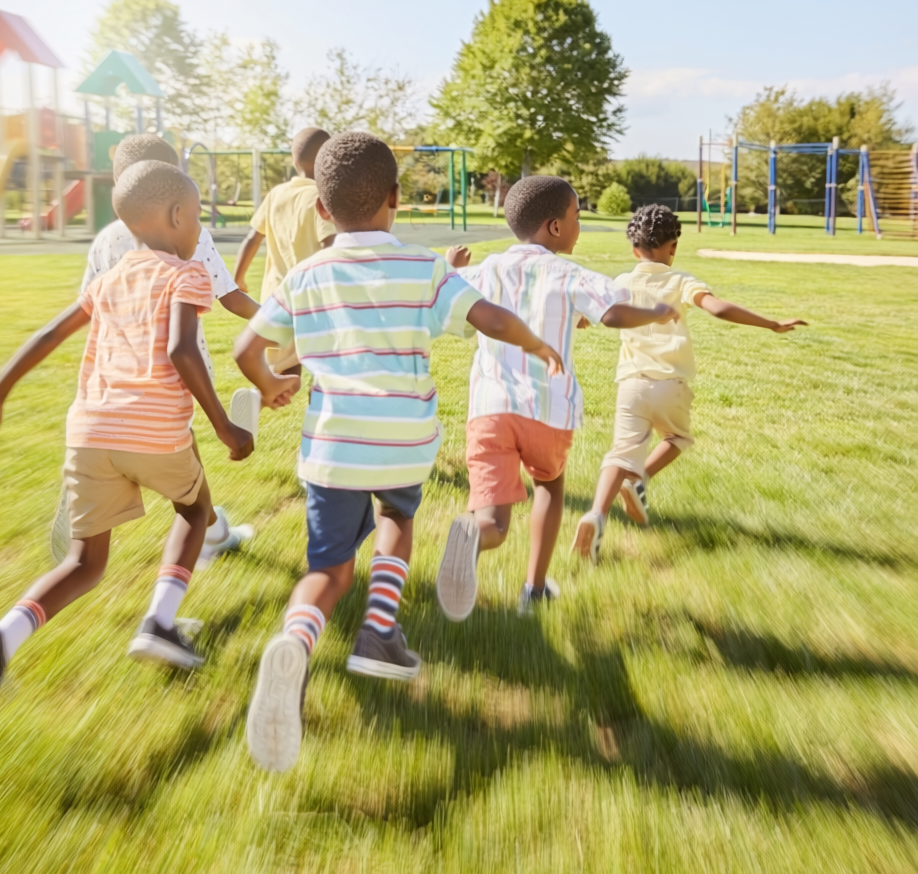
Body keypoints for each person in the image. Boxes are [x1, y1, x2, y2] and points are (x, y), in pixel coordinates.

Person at [232, 132, 564, 772]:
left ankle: (297, 643)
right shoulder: (424, 267)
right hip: (403, 443)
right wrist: (535, 343)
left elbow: (246, 348)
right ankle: (380, 633)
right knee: (397, 521)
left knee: (327, 570)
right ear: (394, 200)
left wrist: (269, 384)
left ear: (321, 211)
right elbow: (489, 317)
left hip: (332, 448)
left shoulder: (304, 274)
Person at [0, 161, 266, 753]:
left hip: (88, 432)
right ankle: (160, 621)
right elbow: (181, 350)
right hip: (155, 434)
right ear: (175, 217)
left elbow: (49, 334)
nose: (200, 229)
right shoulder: (187, 273)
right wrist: (225, 426)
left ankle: (1, 639)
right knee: (195, 513)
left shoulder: (111, 277)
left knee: (86, 562)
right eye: (197, 217)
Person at [437, 177, 676, 620]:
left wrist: (450, 268)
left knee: (494, 518)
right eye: (577, 217)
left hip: (490, 410)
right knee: (549, 485)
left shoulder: (486, 270)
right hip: (547, 411)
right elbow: (611, 312)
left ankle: (474, 532)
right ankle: (534, 589)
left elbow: (450, 302)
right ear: (553, 228)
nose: (578, 225)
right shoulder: (567, 273)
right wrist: (656, 312)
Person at [573, 203, 806, 562]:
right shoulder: (681, 280)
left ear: (634, 249)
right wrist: (771, 323)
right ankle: (638, 480)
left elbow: (592, 316)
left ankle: (596, 514)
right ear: (674, 246)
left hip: (631, 385)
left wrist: (581, 321)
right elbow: (717, 307)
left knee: (620, 452)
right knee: (677, 438)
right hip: (671, 386)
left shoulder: (621, 282)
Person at [68, 133, 259, 564]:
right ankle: (206, 535)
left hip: (118, 375)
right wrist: (279, 320)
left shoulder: (105, 239)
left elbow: (89, 309)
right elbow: (229, 296)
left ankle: (206, 528)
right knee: (174, 455)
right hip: (177, 369)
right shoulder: (187, 228)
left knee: (148, 449)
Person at [232, 127, 336, 376]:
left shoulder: (276, 194)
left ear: (293, 159)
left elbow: (252, 238)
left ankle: (261, 399)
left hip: (276, 298)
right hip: (311, 299)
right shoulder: (320, 197)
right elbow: (330, 245)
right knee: (326, 365)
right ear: (328, 160)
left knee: (285, 371)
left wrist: (238, 277)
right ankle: (321, 401)